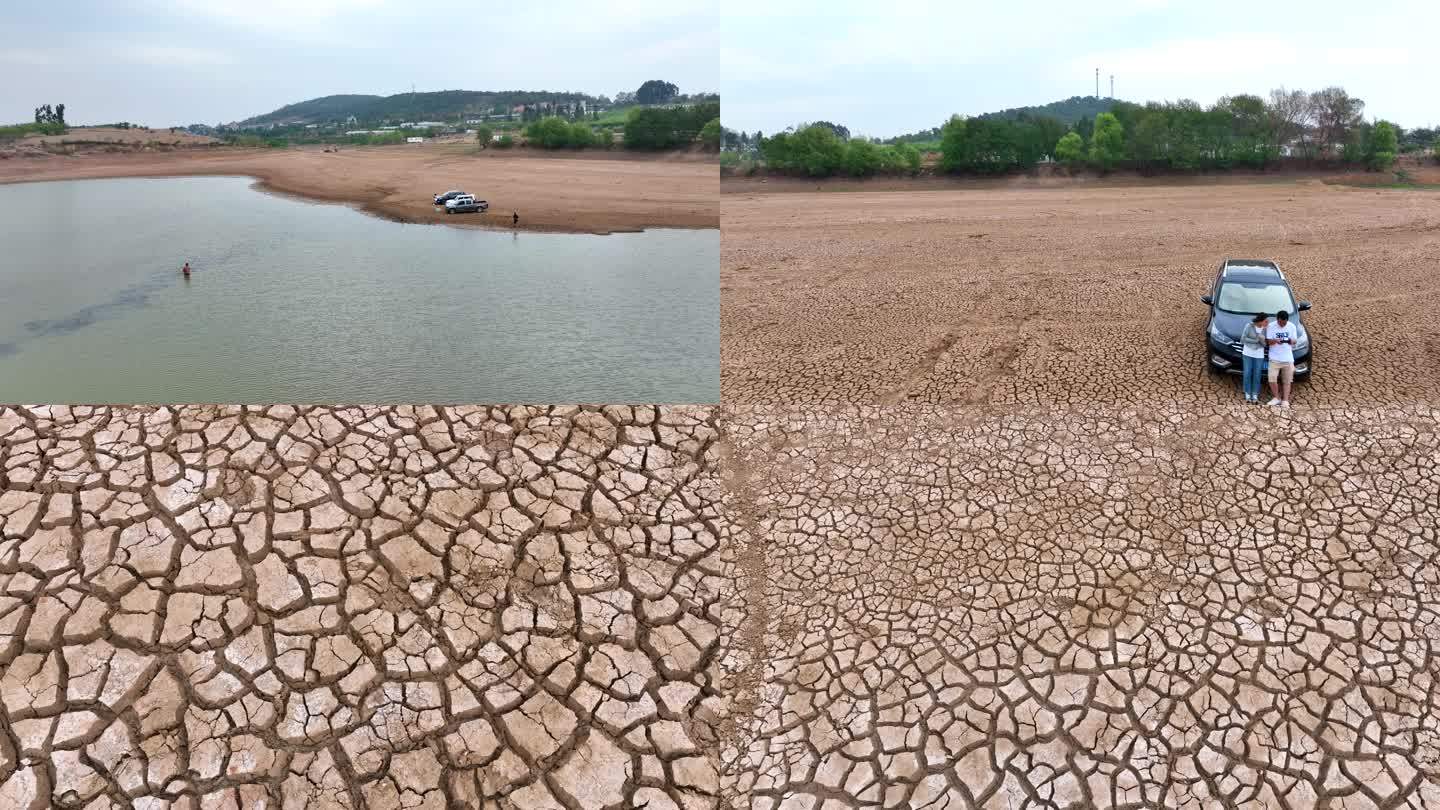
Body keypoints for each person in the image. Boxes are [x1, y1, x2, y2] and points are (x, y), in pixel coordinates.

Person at [1265, 309, 1298, 408]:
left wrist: (1288, 340)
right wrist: (1275, 341)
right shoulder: (1271, 326)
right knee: (1272, 379)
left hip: (1287, 358)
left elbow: (1294, 341)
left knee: (1287, 381)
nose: (1282, 324)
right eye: (1280, 322)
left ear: (1287, 320)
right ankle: (1276, 397)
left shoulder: (1291, 326)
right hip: (1274, 358)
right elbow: (1268, 341)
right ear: (1277, 319)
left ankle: (1285, 400)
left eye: (1284, 323)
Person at [1239, 312, 1268, 403]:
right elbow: (1243, 339)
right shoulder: (1249, 326)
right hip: (1247, 353)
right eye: (1265, 321)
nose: (1267, 322)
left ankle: (1255, 394)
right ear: (1260, 321)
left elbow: (1264, 344)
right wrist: (1256, 340)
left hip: (1259, 354)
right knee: (1247, 373)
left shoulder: (1265, 329)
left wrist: (1262, 340)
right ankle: (1247, 393)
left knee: (1257, 374)